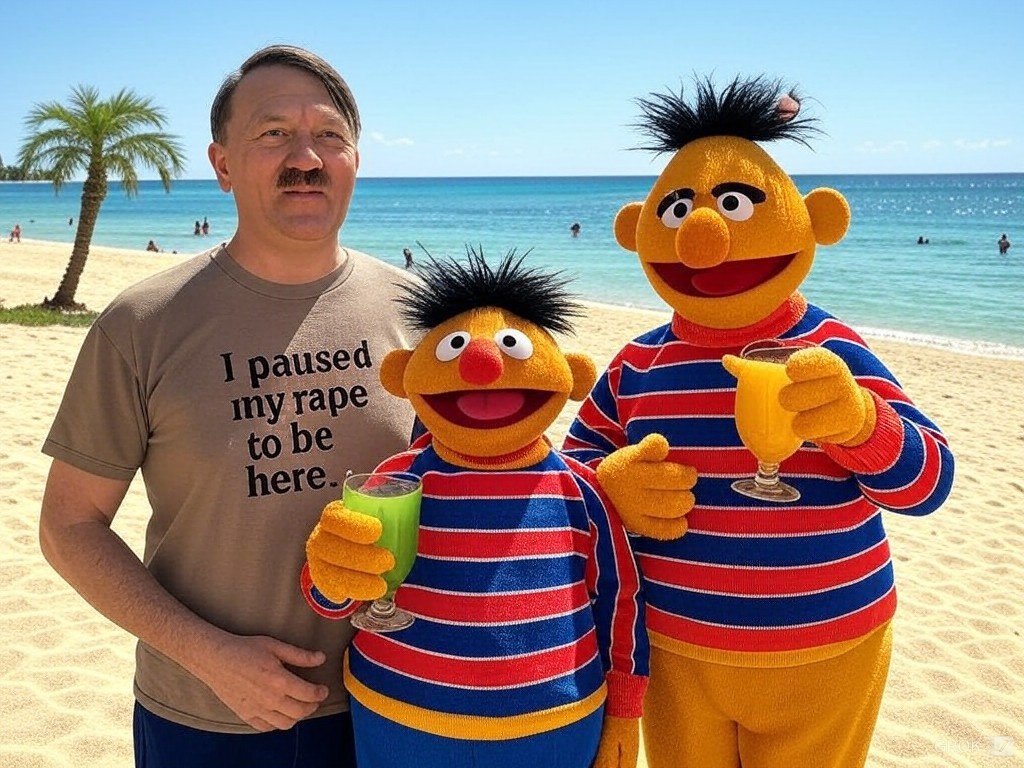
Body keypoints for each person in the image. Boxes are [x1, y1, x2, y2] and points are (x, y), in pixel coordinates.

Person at [39, 44, 417, 768]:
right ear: (221, 165)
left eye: (329, 135)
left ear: (355, 161)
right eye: (274, 133)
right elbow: (68, 527)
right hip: (207, 715)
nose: (306, 157)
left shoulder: (422, 314)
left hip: (394, 704)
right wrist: (207, 654)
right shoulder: (143, 324)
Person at [563, 76, 954, 768]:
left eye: (734, 205)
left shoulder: (832, 349)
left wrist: (861, 425)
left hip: (828, 645)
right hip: (677, 649)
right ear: (637, 229)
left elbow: (929, 484)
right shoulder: (637, 365)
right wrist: (611, 488)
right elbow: (568, 486)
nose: (703, 236)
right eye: (678, 211)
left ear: (816, 219)